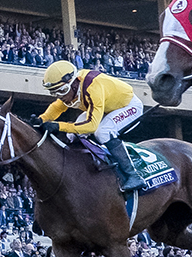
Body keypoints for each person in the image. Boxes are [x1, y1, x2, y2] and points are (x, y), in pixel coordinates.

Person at [32, 60, 144, 192]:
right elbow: (58, 107)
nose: (60, 97)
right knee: (72, 134)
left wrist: (58, 126)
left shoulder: (92, 88)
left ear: (74, 82)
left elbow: (91, 126)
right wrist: (42, 119)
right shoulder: (74, 86)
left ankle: (133, 175)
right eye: (54, 93)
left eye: (62, 91)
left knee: (103, 131)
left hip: (128, 106)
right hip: (107, 108)